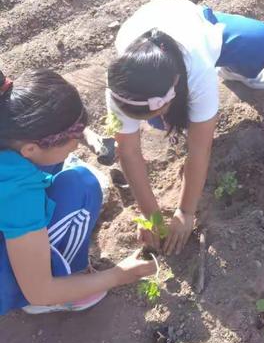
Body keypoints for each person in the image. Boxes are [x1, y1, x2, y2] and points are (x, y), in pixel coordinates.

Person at [106, 0, 264, 256]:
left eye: (155, 112)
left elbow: (200, 149)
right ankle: (168, 116)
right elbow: (128, 152)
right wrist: (152, 216)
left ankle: (236, 70)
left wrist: (185, 212)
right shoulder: (121, 87)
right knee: (165, 118)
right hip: (157, 52)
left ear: (176, 85)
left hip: (196, 23)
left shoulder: (198, 68)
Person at [0, 69, 155, 316]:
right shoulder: (16, 191)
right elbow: (41, 290)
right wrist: (118, 275)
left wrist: (88, 137)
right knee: (82, 188)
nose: (76, 144)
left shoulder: (8, 116)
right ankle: (62, 283)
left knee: (59, 167)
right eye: (71, 138)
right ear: (30, 148)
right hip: (17, 285)